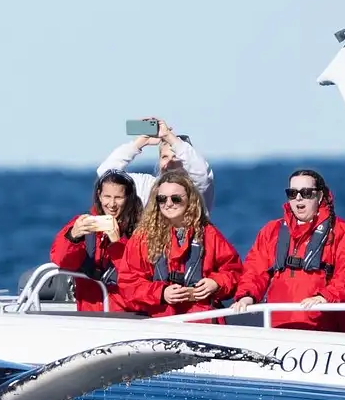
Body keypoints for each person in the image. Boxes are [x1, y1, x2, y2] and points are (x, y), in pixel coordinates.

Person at [232, 169, 345, 332]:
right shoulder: (271, 231)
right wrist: (247, 296)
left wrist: (325, 297)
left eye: (306, 192)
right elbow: (254, 270)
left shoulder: (343, 232)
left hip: (329, 331)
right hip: (280, 329)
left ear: (320, 196)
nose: (299, 198)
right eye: (292, 193)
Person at [117, 166, 242, 319]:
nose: (168, 203)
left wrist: (216, 283)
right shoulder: (142, 238)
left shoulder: (209, 234)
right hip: (161, 321)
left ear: (189, 199)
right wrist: (161, 293)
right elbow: (128, 283)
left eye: (175, 198)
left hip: (203, 320)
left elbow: (234, 271)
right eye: (162, 199)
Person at [49, 170, 141, 312]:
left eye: (118, 197)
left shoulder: (138, 231)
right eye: (107, 197)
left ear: (128, 198)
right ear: (99, 195)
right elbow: (61, 261)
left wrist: (117, 243)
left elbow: (135, 277)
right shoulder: (84, 223)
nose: (112, 204)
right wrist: (73, 236)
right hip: (89, 313)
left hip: (125, 314)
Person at [96, 117, 216, 212]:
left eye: (176, 157)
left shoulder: (197, 190)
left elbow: (201, 172)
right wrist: (139, 143)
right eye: (164, 157)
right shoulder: (147, 186)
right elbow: (106, 175)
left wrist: (168, 136)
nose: (170, 162)